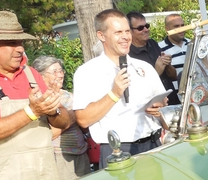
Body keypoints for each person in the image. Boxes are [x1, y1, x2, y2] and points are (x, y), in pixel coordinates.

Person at [0, 10, 71, 180]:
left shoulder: (31, 74)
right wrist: (32, 112)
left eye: (20, 42)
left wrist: (52, 111)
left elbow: (64, 121)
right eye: (11, 43)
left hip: (45, 176)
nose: (20, 49)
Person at [73, 9, 168, 168]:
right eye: (118, 32)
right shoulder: (87, 72)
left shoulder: (144, 67)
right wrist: (114, 94)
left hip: (153, 146)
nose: (125, 37)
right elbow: (83, 119)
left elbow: (164, 103)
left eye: (127, 31)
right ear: (101, 36)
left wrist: (160, 108)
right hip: (117, 152)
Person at [33, 55, 91, 180]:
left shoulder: (69, 95)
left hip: (81, 152)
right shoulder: (39, 100)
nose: (60, 75)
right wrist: (73, 116)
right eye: (55, 72)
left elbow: (84, 123)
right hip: (59, 156)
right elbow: (49, 134)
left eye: (61, 71)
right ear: (41, 76)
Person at [126, 11, 180, 105]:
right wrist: (156, 72)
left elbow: (174, 76)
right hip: (152, 107)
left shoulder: (153, 43)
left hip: (172, 101)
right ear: (129, 31)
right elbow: (135, 88)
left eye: (147, 26)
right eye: (140, 28)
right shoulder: (128, 55)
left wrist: (167, 64)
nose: (145, 30)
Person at [158, 13, 188, 103]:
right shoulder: (159, 48)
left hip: (196, 94)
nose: (181, 29)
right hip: (175, 99)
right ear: (167, 29)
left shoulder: (192, 43)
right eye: (176, 26)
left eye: (182, 25)